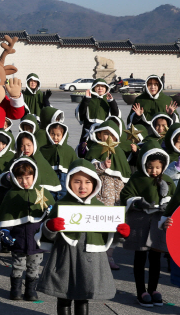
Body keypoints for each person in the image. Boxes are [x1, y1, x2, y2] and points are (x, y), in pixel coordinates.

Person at [37, 159, 130, 315]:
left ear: (95, 183)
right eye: (77, 181)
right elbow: (46, 234)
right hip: (65, 257)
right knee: (63, 295)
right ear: (69, 182)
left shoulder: (100, 208)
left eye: (88, 182)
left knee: (83, 296)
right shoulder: (61, 205)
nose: (82, 186)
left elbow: (107, 237)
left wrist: (120, 233)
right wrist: (50, 227)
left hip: (90, 259)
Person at [120, 141, 175, 307]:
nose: (154, 171)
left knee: (156, 257)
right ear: (144, 164)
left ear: (163, 166)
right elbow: (126, 195)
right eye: (150, 167)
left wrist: (167, 203)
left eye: (158, 167)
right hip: (140, 221)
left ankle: (153, 289)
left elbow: (172, 196)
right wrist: (137, 202)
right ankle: (140, 291)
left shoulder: (166, 179)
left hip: (158, 222)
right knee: (140, 256)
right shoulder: (137, 178)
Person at [0, 158, 55, 301]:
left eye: (27, 177)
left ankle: (31, 290)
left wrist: (51, 213)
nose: (24, 181)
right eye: (20, 178)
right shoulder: (11, 194)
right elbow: (7, 215)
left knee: (34, 267)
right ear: (14, 178)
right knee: (17, 266)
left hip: (36, 240)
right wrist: (6, 231)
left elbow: (51, 215)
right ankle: (15, 290)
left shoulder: (42, 192)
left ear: (34, 176)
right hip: (19, 239)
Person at [76, 79, 119, 155]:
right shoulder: (88, 98)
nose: (100, 88)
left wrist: (112, 102)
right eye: (98, 86)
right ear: (93, 88)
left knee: (101, 150)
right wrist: (86, 100)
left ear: (106, 88)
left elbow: (115, 115)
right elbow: (81, 114)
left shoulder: (108, 100)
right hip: (88, 128)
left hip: (103, 129)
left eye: (103, 86)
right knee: (84, 150)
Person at [39, 122, 77, 200]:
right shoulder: (43, 150)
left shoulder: (69, 150)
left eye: (58, 135)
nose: (55, 137)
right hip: (49, 179)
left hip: (64, 179)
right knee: (50, 199)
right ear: (48, 134)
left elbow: (75, 166)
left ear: (63, 135)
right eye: (52, 134)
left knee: (64, 199)